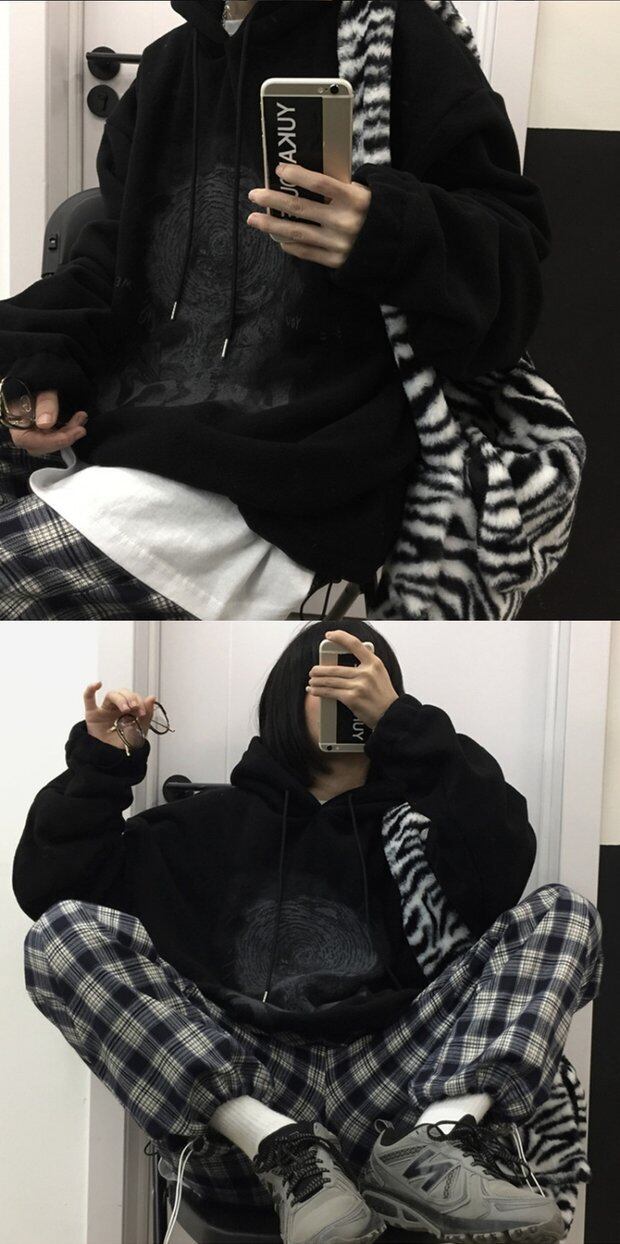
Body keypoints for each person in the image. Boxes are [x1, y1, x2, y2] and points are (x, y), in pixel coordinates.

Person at [13, 622, 602, 1244]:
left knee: (564, 912)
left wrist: (404, 726)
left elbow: (505, 862)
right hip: (246, 1100)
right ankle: (281, 1145)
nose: (346, 695)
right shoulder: (201, 826)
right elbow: (51, 888)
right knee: (63, 932)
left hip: (396, 1090)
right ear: (287, 697)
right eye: (328, 677)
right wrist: (104, 764)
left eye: (362, 679)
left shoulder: (425, 830)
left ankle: (438, 1145)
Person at [0, 0, 552, 620]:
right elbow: (114, 261)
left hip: (299, 456)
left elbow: (513, 265)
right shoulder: (166, 68)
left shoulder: (397, 42)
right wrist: (36, 366)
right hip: (127, 416)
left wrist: (387, 232)